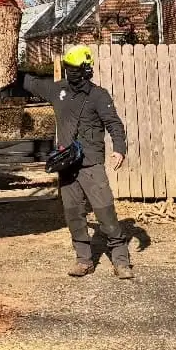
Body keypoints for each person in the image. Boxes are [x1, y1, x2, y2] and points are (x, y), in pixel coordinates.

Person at [25, 44, 133, 279]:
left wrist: (119, 149)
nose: (70, 72)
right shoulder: (57, 90)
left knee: (105, 213)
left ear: (86, 69)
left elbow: (114, 124)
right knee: (74, 214)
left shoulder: (99, 95)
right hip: (67, 166)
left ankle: (121, 260)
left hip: (92, 164)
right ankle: (84, 260)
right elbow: (29, 82)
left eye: (75, 68)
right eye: (68, 67)